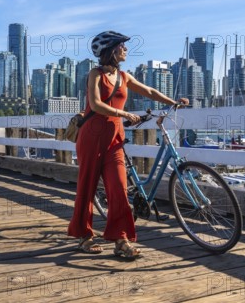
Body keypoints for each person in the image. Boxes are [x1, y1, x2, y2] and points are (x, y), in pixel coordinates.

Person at [67, 31, 189, 259]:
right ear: (111, 50)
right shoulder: (95, 74)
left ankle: (121, 239)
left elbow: (149, 91)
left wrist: (173, 102)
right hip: (91, 137)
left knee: (119, 189)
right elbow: (94, 103)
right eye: (122, 46)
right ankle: (84, 235)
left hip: (114, 139)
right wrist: (122, 112)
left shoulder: (124, 76)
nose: (126, 50)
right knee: (87, 186)